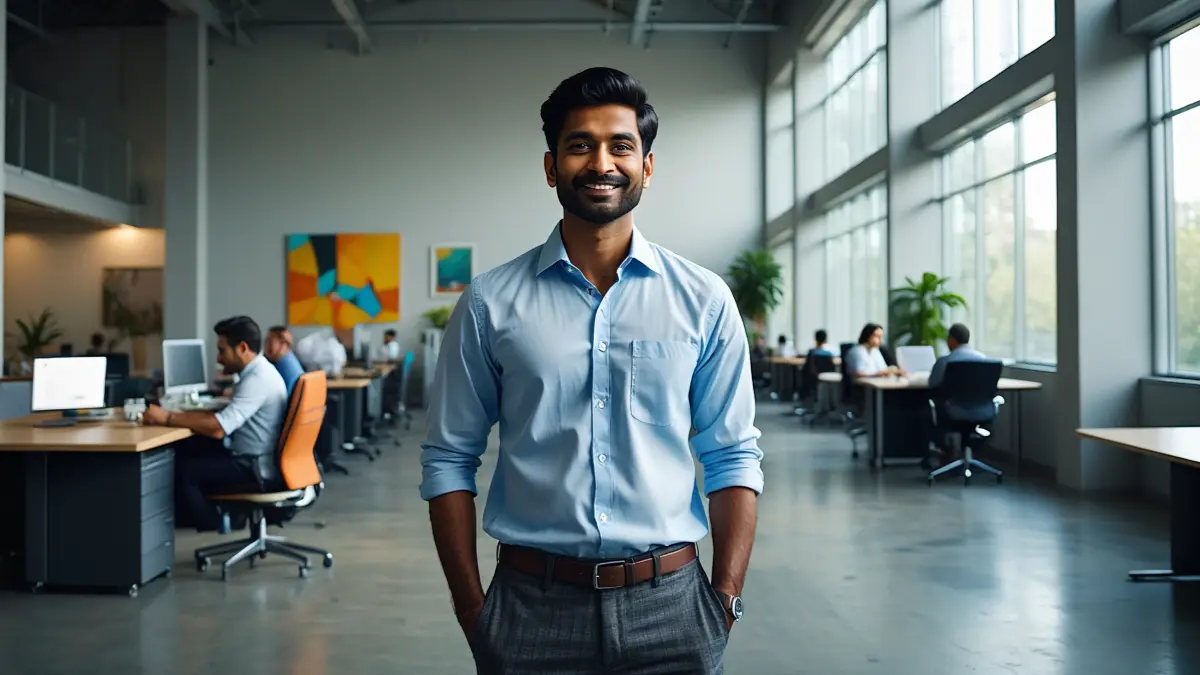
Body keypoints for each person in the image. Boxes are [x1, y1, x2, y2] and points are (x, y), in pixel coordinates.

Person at [420, 66, 763, 674]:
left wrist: (725, 600)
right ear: (551, 167)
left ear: (647, 168)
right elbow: (449, 459)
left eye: (620, 146)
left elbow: (732, 455)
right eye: (580, 145)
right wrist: (475, 612)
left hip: (673, 608)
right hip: (530, 609)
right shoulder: (489, 303)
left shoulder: (703, 300)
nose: (600, 162)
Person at [142, 316, 288, 533]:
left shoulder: (257, 380)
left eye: (222, 350)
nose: (219, 358)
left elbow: (219, 428)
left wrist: (166, 418)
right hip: (256, 457)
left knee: (186, 471)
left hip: (252, 466)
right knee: (187, 448)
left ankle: (215, 523)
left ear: (242, 348)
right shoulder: (259, 372)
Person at [928, 322, 986, 389]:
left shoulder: (943, 362)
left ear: (952, 340)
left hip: (950, 399)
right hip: (979, 399)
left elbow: (932, 383)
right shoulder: (983, 360)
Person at [264, 325, 305, 396]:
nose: (266, 345)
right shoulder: (290, 358)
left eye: (270, 341)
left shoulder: (284, 366)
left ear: (283, 343)